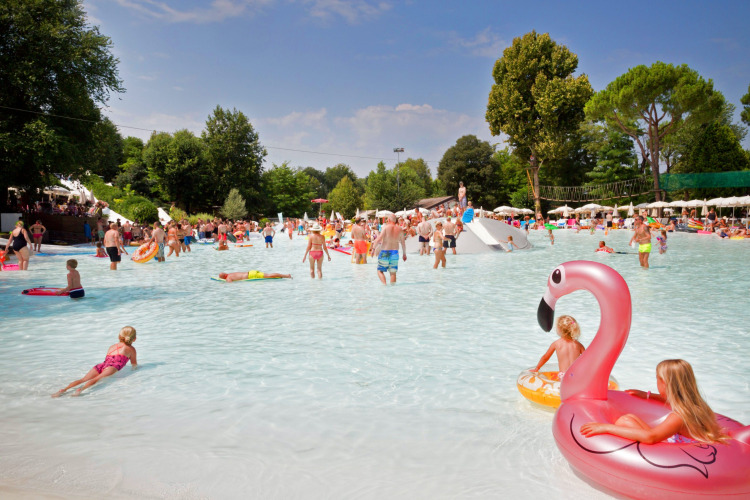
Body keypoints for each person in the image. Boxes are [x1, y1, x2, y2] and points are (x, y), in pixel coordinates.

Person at [580, 359, 729, 445]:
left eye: (657, 379)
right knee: (628, 418)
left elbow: (651, 438)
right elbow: (673, 399)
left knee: (624, 422)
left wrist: (605, 428)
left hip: (673, 453)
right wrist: (648, 395)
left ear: (665, 383)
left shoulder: (678, 417)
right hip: (686, 444)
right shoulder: (698, 405)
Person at [52, 327, 138, 397]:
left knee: (83, 379)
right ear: (134, 339)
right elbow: (134, 365)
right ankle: (80, 390)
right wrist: (135, 371)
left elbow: (108, 360)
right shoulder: (131, 349)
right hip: (112, 368)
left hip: (101, 365)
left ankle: (64, 389)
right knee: (96, 379)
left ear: (120, 336)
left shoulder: (112, 346)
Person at [371, 214, 407, 284]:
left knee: (379, 271)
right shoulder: (399, 229)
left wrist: (373, 249)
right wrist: (404, 254)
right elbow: (403, 243)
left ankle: (384, 285)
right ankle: (392, 290)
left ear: (389, 220)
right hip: (395, 253)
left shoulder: (386, 227)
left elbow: (378, 239)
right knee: (393, 273)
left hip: (385, 252)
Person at [218, 270, 292, 282]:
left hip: (251, 276)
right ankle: (285, 275)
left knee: (269, 276)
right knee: (268, 275)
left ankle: (286, 276)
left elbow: (230, 283)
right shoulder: (231, 274)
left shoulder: (228, 278)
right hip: (251, 272)